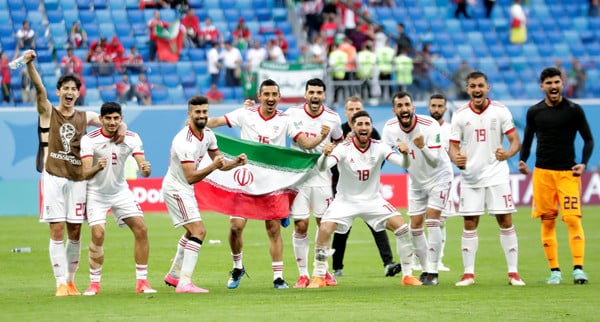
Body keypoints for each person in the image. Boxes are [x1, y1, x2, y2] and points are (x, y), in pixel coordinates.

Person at [207, 79, 331, 289]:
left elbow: (306, 144)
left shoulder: (285, 120)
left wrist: (322, 136)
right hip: (245, 180)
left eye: (274, 94)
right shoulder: (245, 114)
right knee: (235, 227)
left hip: (272, 182)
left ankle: (278, 277)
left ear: (279, 97)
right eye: (267, 94)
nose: (271, 98)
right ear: (259, 96)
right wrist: (196, 123)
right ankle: (238, 267)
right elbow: (216, 121)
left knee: (273, 230)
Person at [23, 49, 126, 296]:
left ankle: (70, 281)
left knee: (76, 230)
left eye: (73, 89)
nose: (69, 92)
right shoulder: (49, 111)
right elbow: (39, 89)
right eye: (65, 88)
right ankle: (60, 282)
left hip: (78, 178)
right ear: (58, 92)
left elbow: (109, 120)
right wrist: (29, 66)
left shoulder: (85, 116)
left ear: (78, 93)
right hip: (53, 176)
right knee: (57, 229)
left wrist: (121, 125)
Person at [307, 110, 422, 288]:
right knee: (324, 228)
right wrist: (325, 154)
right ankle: (319, 275)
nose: (363, 127)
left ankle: (407, 275)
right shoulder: (343, 148)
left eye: (367, 124)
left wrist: (406, 154)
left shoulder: (380, 147)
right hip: (345, 201)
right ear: (352, 127)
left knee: (403, 228)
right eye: (359, 124)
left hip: (373, 200)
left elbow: (404, 165)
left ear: (371, 127)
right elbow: (323, 167)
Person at [163, 95, 247, 293]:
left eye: (204, 112)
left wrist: (234, 162)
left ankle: (174, 275)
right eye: (197, 112)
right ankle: (184, 283)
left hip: (184, 188)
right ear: (189, 114)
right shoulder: (184, 141)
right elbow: (191, 176)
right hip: (176, 188)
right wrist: (213, 166)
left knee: (191, 231)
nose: (201, 116)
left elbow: (220, 163)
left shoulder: (208, 134)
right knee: (199, 231)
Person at [518, 67, 594, 285]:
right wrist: (523, 161)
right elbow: (528, 139)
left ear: (562, 84)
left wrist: (583, 163)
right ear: (542, 86)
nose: (553, 86)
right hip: (542, 174)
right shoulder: (534, 112)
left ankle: (578, 268)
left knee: (571, 218)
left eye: (556, 82)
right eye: (549, 83)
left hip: (567, 173)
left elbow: (589, 139)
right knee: (548, 221)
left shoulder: (574, 110)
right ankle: (555, 271)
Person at [448, 71, 525, 287]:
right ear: (467, 89)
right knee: (470, 222)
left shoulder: (500, 111)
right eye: (472, 86)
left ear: (487, 87)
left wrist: (508, 154)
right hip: (470, 177)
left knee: (506, 220)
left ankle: (513, 273)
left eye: (480, 85)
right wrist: (457, 160)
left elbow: (515, 140)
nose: (477, 89)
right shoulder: (460, 115)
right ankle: (468, 274)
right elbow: (452, 146)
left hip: (497, 175)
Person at [80, 102, 156, 295]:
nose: (112, 122)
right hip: (96, 193)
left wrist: (145, 169)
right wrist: (97, 167)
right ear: (101, 119)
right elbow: (85, 172)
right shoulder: (89, 140)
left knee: (141, 229)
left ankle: (142, 282)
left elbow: (143, 166)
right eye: (108, 118)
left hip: (120, 192)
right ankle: (94, 284)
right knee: (98, 234)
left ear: (121, 119)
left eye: (116, 118)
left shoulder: (132, 138)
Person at [382, 91, 454, 286]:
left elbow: (435, 160)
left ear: (413, 107)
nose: (404, 109)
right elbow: (386, 154)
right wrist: (403, 157)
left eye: (407, 105)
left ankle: (433, 271)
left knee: (432, 220)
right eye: (400, 106)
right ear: (394, 110)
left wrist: (421, 147)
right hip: (416, 179)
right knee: (415, 226)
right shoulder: (389, 128)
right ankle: (424, 269)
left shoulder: (430, 125)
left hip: (439, 176)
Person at [330, 96, 402, 278]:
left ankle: (388, 263)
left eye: (358, 108)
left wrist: (369, 174)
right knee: (341, 228)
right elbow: (330, 156)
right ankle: (337, 267)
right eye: (351, 109)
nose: (355, 112)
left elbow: (380, 157)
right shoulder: (339, 131)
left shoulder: (372, 132)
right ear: (346, 113)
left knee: (377, 226)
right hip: (342, 187)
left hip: (367, 189)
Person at [284, 78, 344, 288]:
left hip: (321, 177)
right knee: (301, 225)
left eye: (319, 92)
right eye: (312, 92)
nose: (315, 96)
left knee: (324, 225)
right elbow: (271, 119)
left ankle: (323, 270)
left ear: (324, 96)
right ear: (305, 94)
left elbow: (339, 140)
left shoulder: (333, 117)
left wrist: (332, 150)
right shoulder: (292, 114)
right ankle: (303, 274)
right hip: (298, 177)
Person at [428, 93, 454, 272]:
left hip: (442, 180)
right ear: (429, 107)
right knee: (418, 220)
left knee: (441, 220)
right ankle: (420, 258)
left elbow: (456, 152)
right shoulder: (421, 127)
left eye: (440, 106)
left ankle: (438, 260)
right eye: (433, 106)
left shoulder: (451, 130)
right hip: (421, 179)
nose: (436, 109)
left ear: (445, 108)